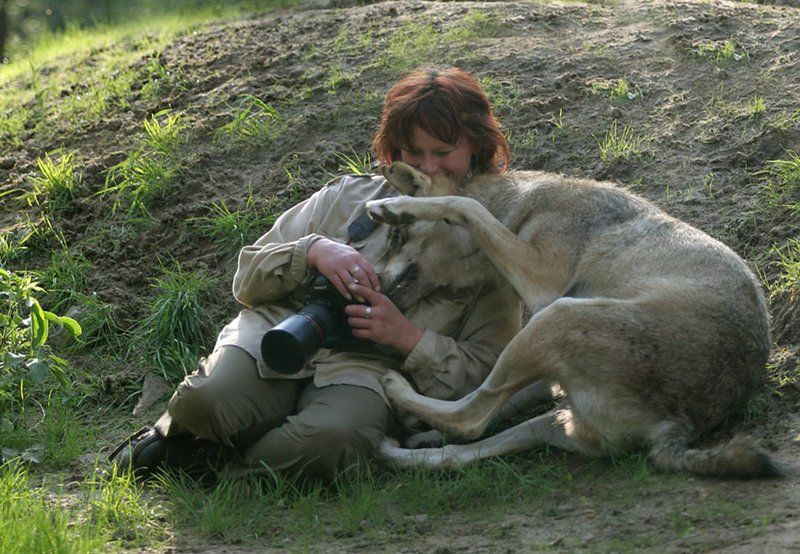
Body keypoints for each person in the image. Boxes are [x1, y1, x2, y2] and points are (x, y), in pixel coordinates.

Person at [110, 66, 522, 482]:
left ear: (476, 146)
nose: (428, 168)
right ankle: (190, 428)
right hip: (287, 330)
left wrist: (407, 338)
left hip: (374, 372)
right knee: (208, 399)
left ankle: (209, 463)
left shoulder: (492, 241)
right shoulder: (348, 198)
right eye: (414, 153)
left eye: (443, 151)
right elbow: (246, 279)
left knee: (330, 437)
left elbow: (485, 375)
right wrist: (311, 252)